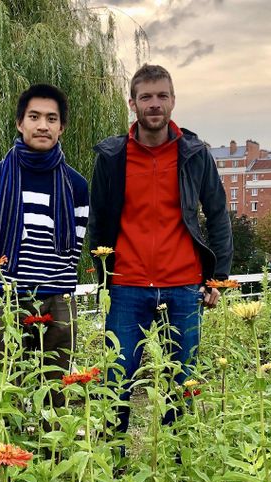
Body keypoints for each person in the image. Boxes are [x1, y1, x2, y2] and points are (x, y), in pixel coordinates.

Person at [88, 64, 233, 436]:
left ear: (173, 100)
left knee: (181, 383)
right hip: (126, 286)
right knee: (116, 380)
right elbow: (99, 219)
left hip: (183, 285)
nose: (155, 104)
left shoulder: (195, 154)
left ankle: (177, 459)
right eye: (146, 97)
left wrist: (217, 278)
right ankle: (113, 464)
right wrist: (103, 275)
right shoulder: (111, 157)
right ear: (133, 103)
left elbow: (217, 214)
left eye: (162, 96)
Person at [0, 83, 89, 410]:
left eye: (52, 118)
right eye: (34, 116)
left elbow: (74, 248)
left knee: (55, 389)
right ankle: (9, 456)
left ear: (61, 127)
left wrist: (61, 287)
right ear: (19, 123)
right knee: (5, 389)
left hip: (58, 300)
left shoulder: (76, 185)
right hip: (6, 300)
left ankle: (51, 454)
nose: (43, 125)